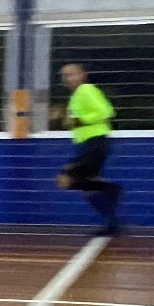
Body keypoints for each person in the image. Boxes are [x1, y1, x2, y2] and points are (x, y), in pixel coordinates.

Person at [52, 62, 123, 236]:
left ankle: (110, 189)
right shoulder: (75, 97)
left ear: (82, 75)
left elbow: (106, 111)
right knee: (88, 188)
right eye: (65, 75)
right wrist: (64, 117)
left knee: (65, 178)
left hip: (95, 142)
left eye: (72, 74)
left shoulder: (86, 90)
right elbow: (76, 123)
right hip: (87, 144)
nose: (68, 78)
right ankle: (112, 225)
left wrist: (77, 121)